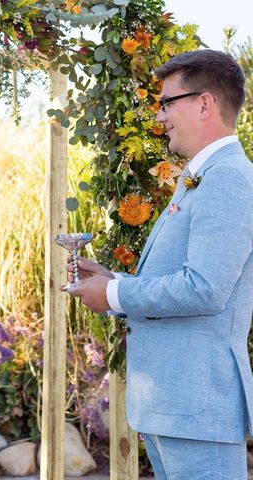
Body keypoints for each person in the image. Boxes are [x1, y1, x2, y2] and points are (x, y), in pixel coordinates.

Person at [68, 49, 253, 478]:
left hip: (198, 404)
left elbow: (205, 287)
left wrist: (113, 293)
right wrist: (113, 283)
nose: (160, 114)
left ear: (204, 103)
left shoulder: (226, 177)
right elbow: (184, 277)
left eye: (167, 102)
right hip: (177, 405)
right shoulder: (200, 175)